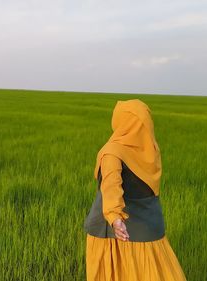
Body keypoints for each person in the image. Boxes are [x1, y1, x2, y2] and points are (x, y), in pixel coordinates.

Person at [84, 100, 186, 281]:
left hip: (113, 229)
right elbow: (112, 184)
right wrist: (115, 217)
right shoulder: (151, 152)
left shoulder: (112, 151)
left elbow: (110, 184)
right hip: (144, 229)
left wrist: (115, 218)